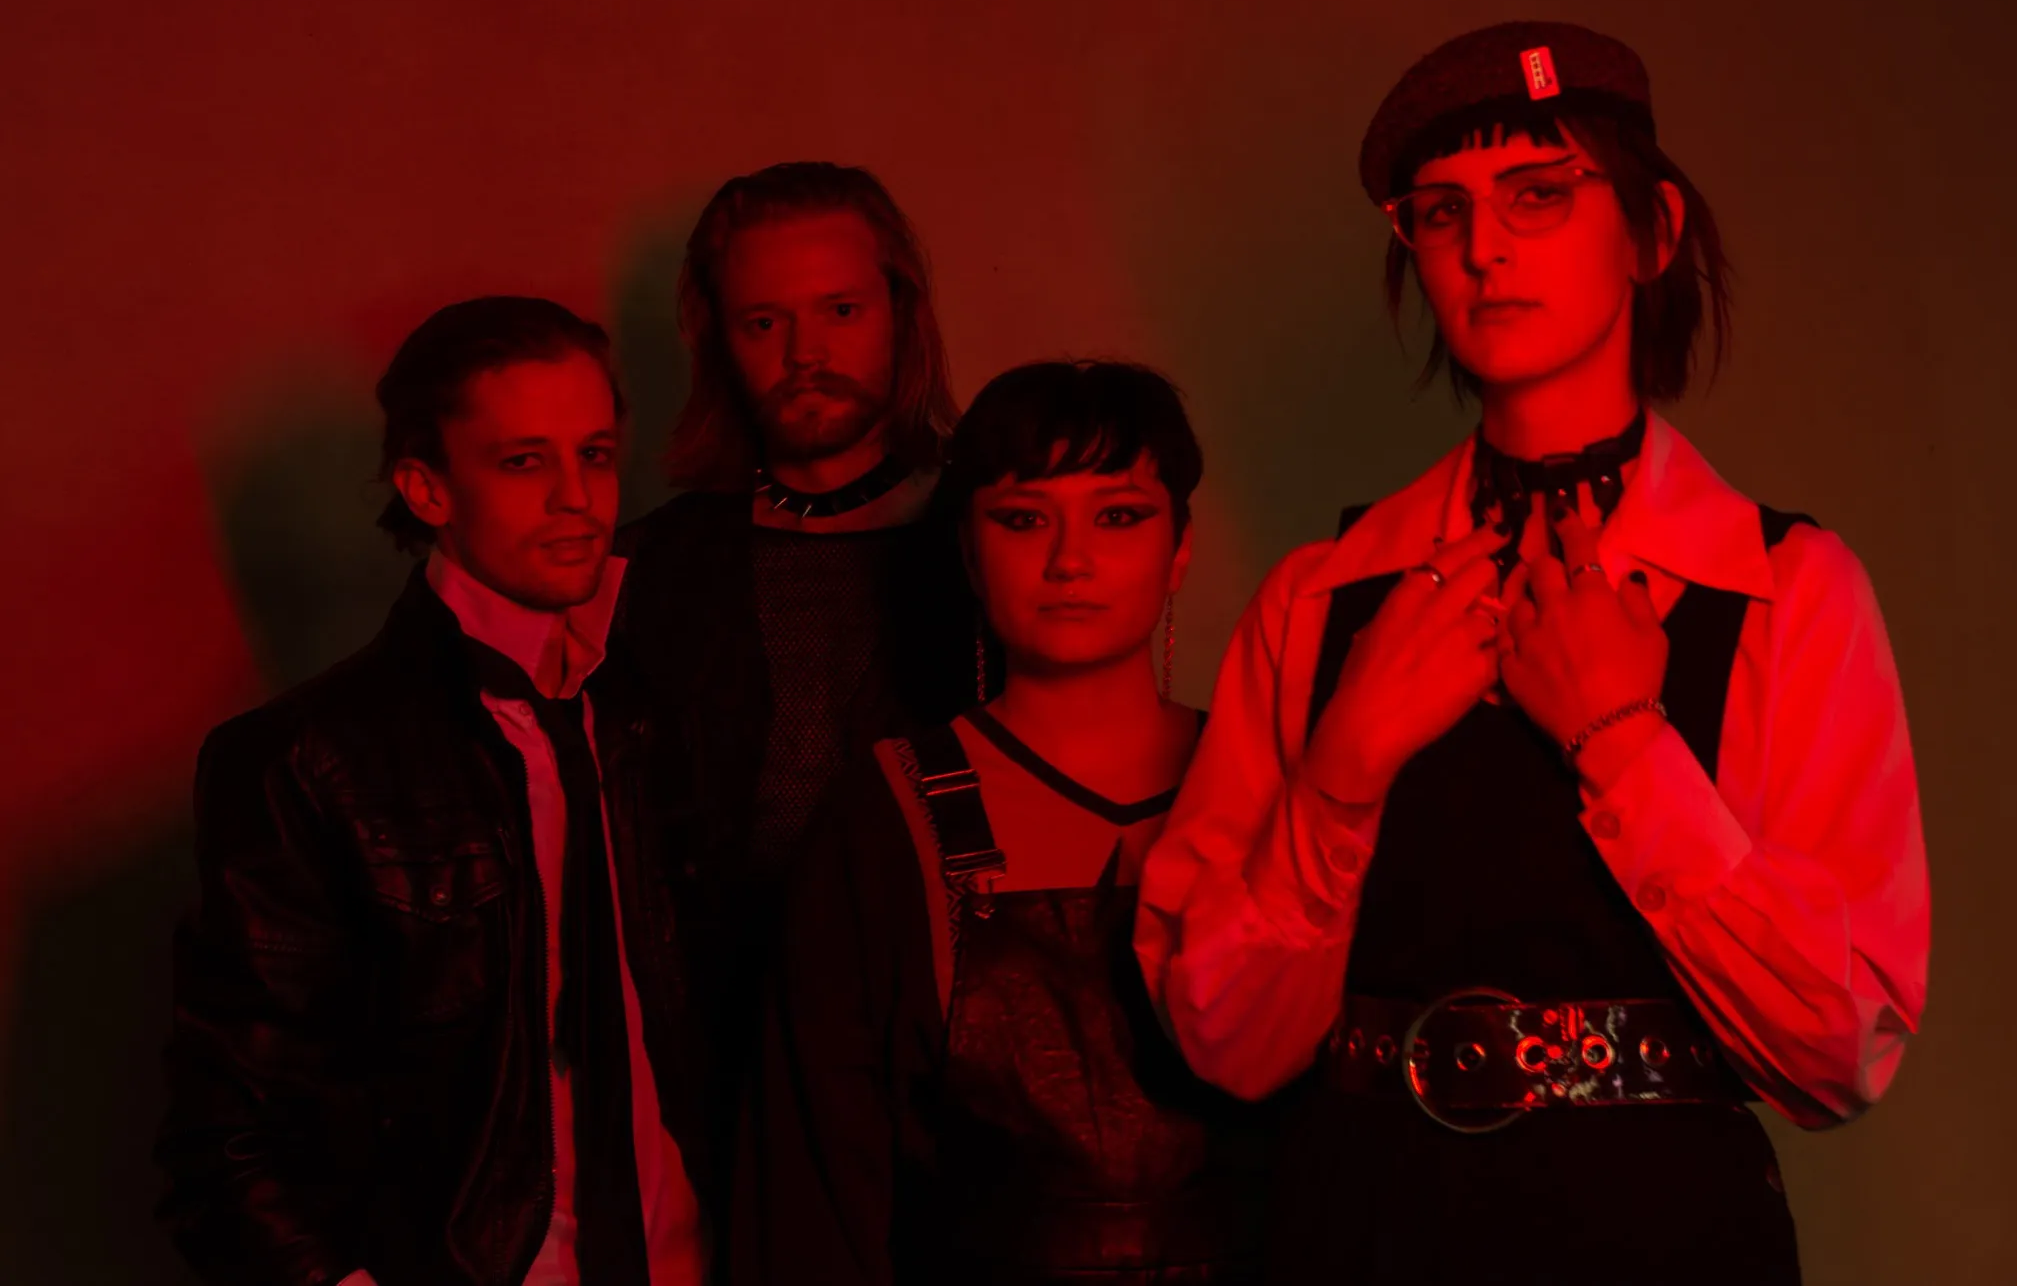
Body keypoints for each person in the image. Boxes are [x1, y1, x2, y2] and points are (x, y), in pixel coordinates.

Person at [1137, 22, 1929, 1283]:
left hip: (1667, 1238)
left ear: (1652, 233)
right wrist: (1340, 769)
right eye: (1437, 212)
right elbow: (1225, 1044)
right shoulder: (1317, 598)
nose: (1483, 248)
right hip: (1356, 1229)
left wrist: (1624, 744)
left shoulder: (1789, 589)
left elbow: (1838, 1053)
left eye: (1537, 194)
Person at [158, 298, 706, 1285]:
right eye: (524, 462)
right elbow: (227, 1129)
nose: (577, 498)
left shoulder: (659, 715)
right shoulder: (306, 760)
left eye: (594, 453)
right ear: (426, 487)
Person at [743, 361, 1268, 1285]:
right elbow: (817, 1195)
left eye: (1119, 515)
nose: (1071, 560)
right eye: (1025, 518)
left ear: (1180, 547)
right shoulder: (883, 820)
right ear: (967, 551)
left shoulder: (1279, 789)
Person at [608, 162, 977, 1240]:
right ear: (716, 336)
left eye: (841, 311)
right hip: (716, 1081)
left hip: (954, 1082)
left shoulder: (997, 543)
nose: (806, 355)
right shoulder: (653, 575)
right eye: (764, 320)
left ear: (899, 314)